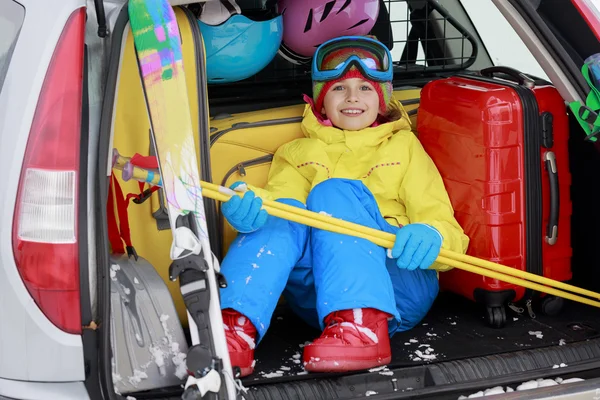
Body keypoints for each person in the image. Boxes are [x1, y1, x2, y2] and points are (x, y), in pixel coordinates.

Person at [218, 35, 469, 377]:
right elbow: (278, 204)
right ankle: (233, 328)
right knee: (283, 212)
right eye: (339, 89)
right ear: (321, 99)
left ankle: (364, 328)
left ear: (383, 99)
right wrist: (251, 208)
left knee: (333, 193)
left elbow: (443, 222)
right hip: (320, 298)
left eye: (365, 88)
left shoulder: (404, 148)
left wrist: (432, 235)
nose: (352, 97)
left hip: (397, 282)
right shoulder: (296, 153)